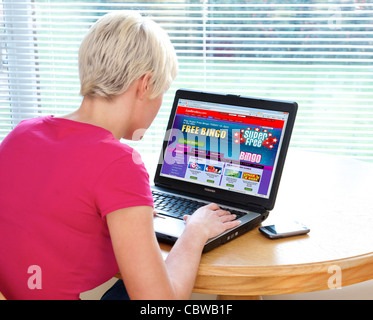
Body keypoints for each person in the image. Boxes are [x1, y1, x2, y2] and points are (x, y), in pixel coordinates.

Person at [0, 11, 240, 300]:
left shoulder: (22, 133)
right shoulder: (119, 163)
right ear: (145, 85)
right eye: (162, 90)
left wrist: (128, 213)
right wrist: (195, 232)